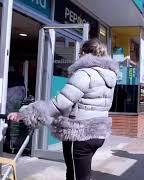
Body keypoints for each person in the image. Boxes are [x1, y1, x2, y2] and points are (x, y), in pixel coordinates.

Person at [7, 38, 119, 180]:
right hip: (98, 131)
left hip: (80, 133)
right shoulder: (109, 75)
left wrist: (25, 114)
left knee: (76, 174)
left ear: (85, 53)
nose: (79, 56)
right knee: (82, 173)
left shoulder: (85, 74)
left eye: (80, 53)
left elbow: (59, 104)